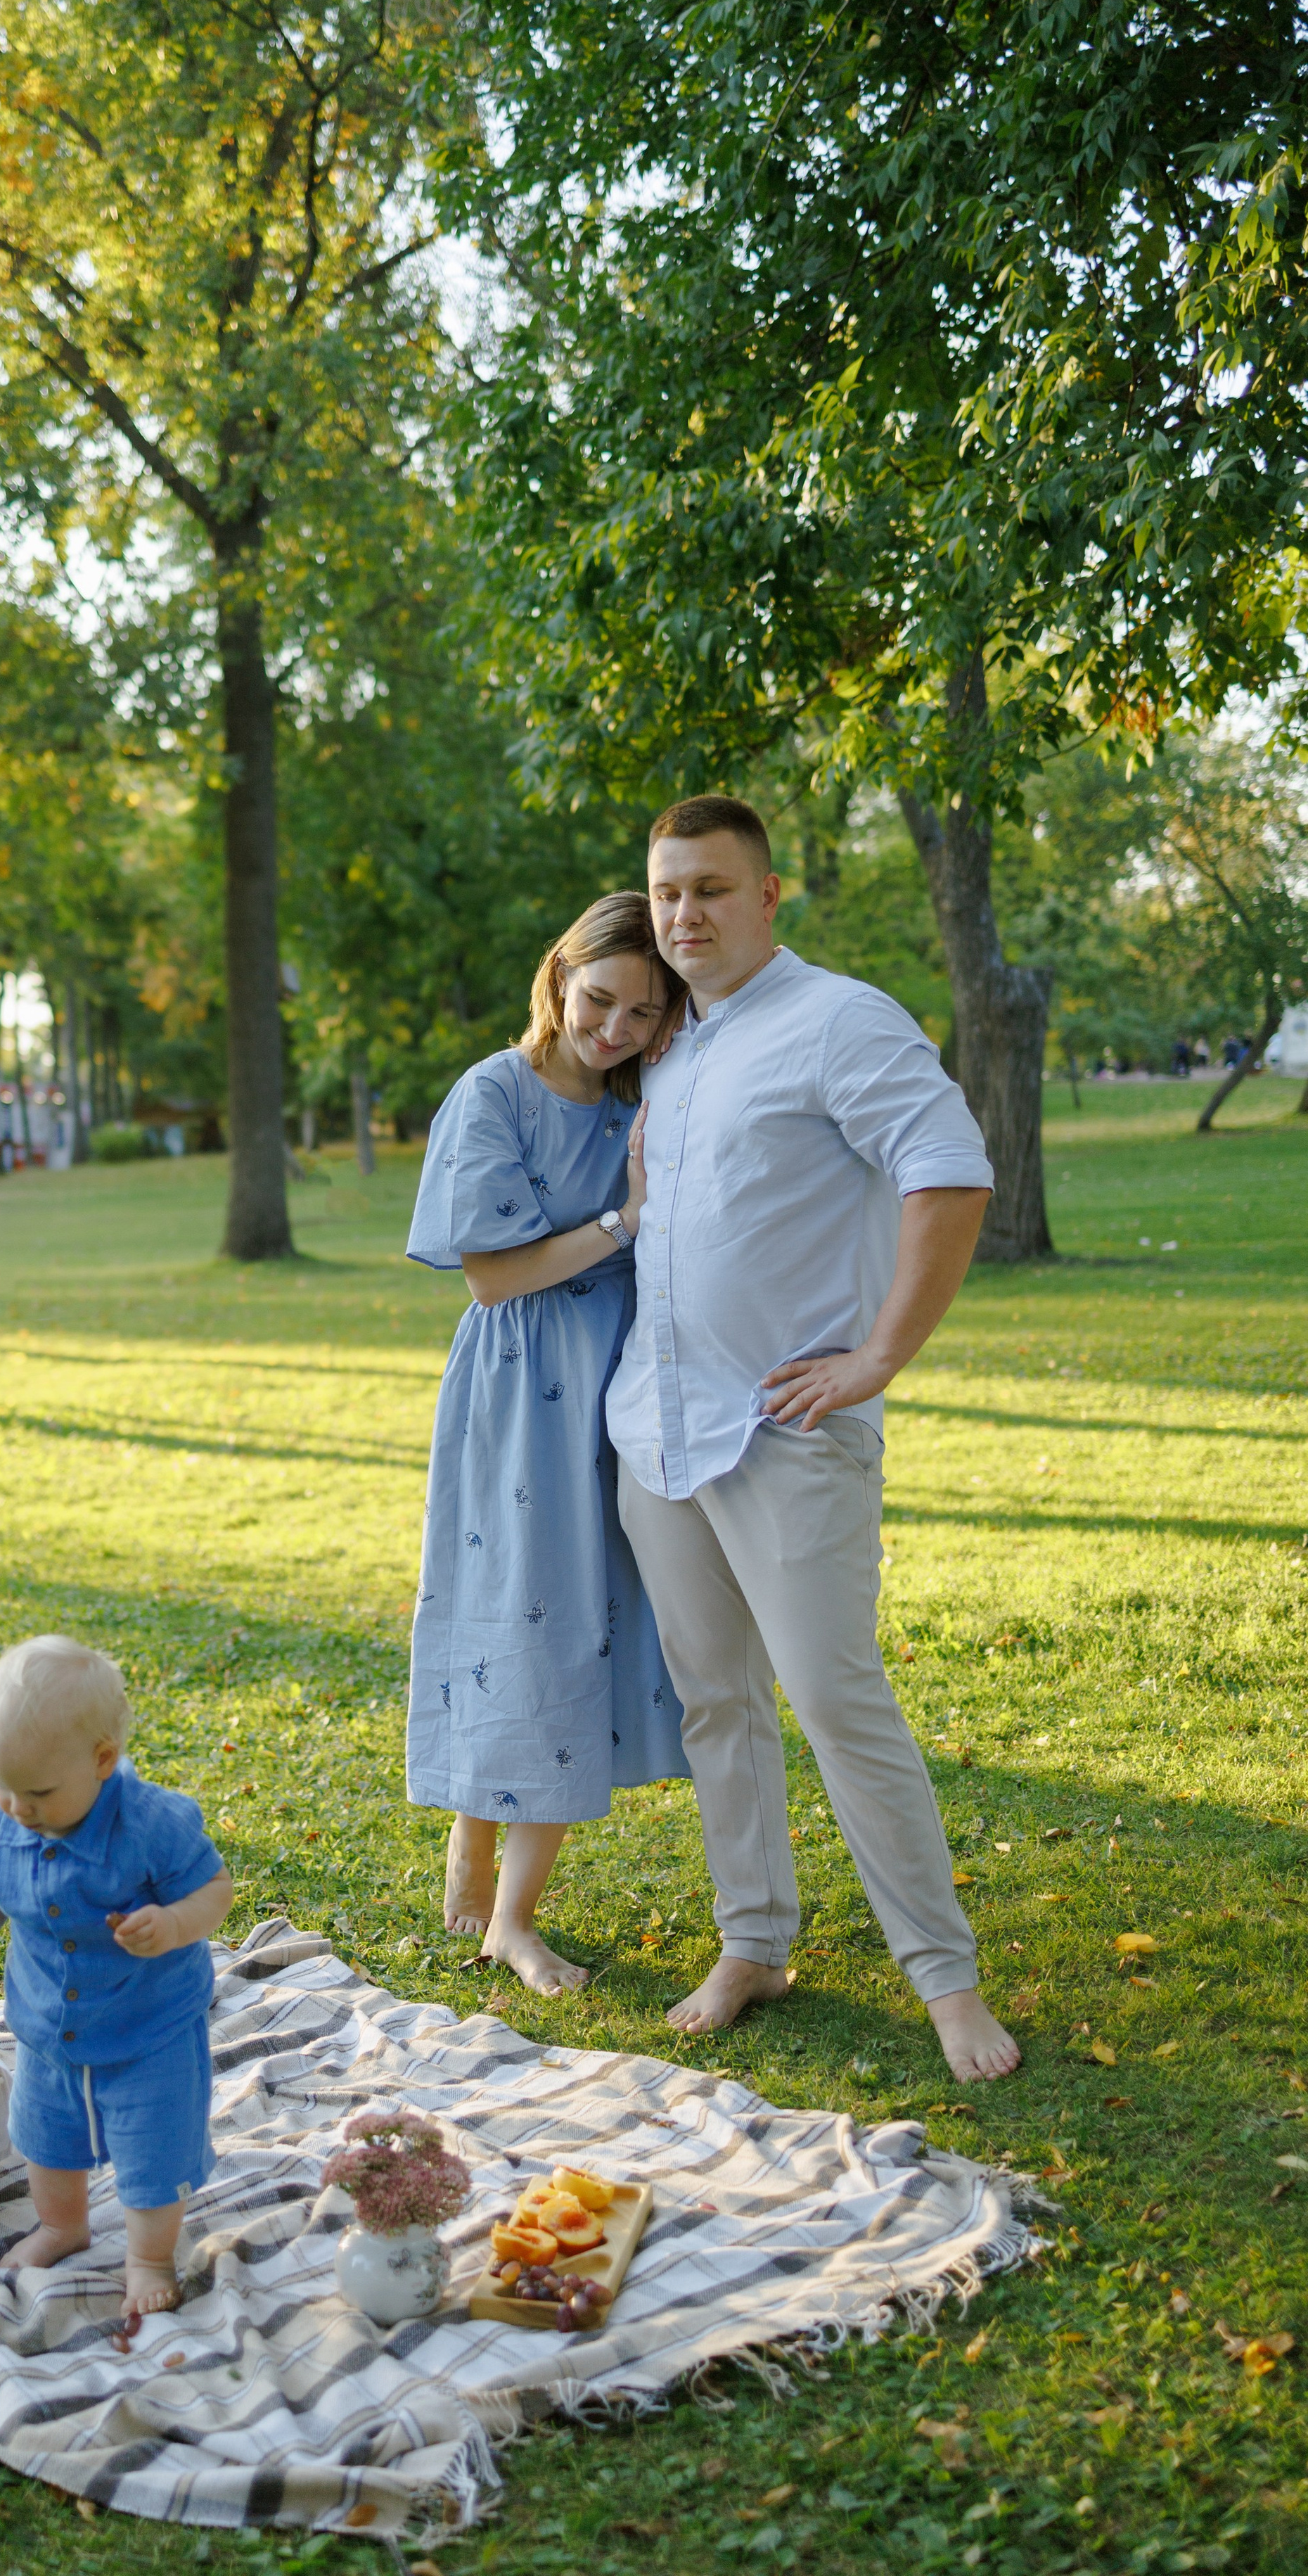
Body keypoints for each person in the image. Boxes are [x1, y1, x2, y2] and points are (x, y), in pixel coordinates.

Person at [607, 794, 1019, 2084]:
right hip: (658, 1435)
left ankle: (945, 1982)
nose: (685, 914)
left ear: (770, 895)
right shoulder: (668, 1049)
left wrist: (881, 1354)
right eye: (670, 891)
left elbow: (949, 1167)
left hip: (786, 1432)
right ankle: (754, 1940)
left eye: (712, 890)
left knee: (840, 1704)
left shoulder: (838, 1019)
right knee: (715, 1704)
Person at [406, 893, 688, 1995]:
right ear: (559, 974)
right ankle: (489, 1885)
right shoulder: (493, 1093)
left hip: (618, 1386)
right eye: (600, 999)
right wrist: (622, 1222)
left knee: (579, 1632)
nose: (614, 1028)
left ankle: (500, 1897)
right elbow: (493, 1273)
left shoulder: (645, 1098)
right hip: (522, 1392)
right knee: (518, 1621)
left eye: (642, 1012)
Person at [0, 1635, 234, 2300]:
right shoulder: (8, 1817)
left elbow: (213, 1891)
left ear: (103, 1760)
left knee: (152, 2153)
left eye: (38, 1793)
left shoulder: (151, 1824)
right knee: (46, 2143)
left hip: (150, 2030)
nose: (18, 1809)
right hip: (49, 2029)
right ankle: (63, 2227)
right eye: (3, 1788)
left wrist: (172, 1925)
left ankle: (150, 2260)